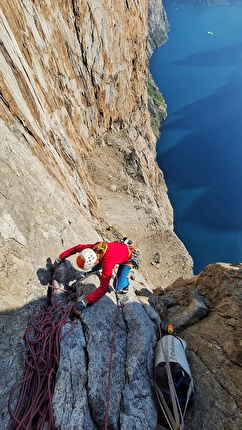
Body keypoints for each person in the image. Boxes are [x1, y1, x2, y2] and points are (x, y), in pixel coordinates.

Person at [54, 238, 139, 313]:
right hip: (117, 251)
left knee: (117, 286)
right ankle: (95, 269)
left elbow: (104, 288)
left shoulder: (108, 262)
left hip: (127, 260)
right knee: (98, 265)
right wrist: (60, 258)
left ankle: (125, 283)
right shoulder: (94, 248)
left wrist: (85, 302)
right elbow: (76, 248)